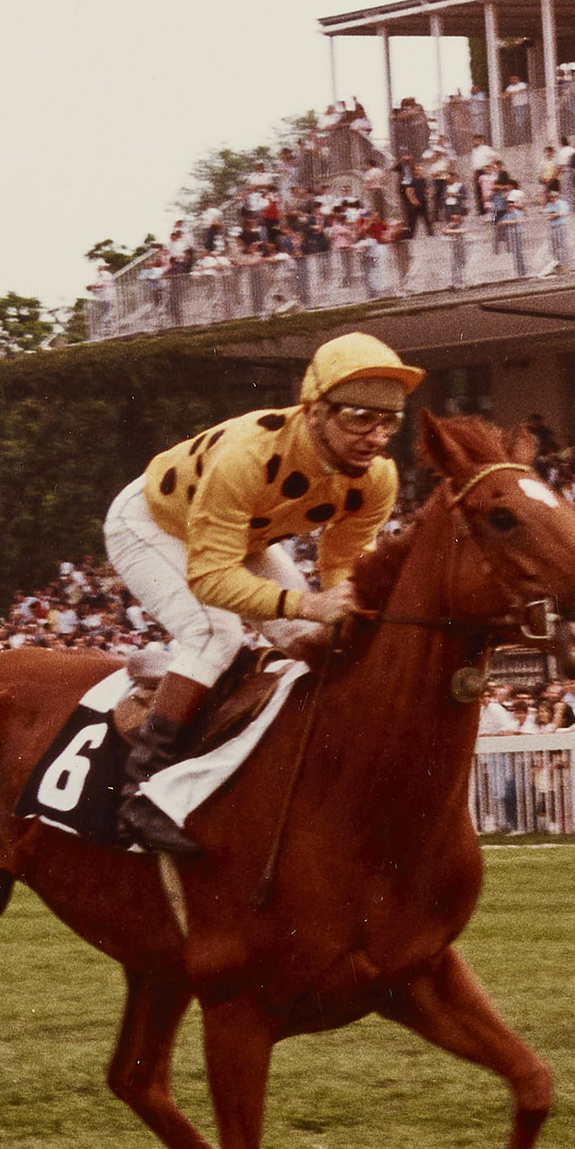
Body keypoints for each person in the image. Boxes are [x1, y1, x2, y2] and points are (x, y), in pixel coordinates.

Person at [101, 332, 422, 855]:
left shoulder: (376, 478)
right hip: (153, 522)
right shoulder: (248, 456)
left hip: (238, 536)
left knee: (308, 636)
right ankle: (139, 794)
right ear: (315, 410)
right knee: (214, 635)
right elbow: (209, 578)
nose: (374, 436)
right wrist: (309, 602)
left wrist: (337, 608)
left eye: (389, 421)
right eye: (358, 417)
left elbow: (340, 563)